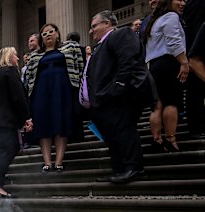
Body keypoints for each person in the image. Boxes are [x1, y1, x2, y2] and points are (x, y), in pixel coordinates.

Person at [82, 10, 154, 184]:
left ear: (107, 23)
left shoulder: (121, 34)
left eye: (94, 26)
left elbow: (128, 62)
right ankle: (119, 169)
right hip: (103, 101)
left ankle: (134, 168)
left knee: (124, 131)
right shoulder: (100, 46)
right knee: (112, 136)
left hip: (118, 97)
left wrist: (119, 87)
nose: (91, 31)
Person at [25, 23, 84, 172]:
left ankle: (59, 161)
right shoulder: (35, 56)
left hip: (62, 91)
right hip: (41, 93)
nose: (48, 35)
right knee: (43, 126)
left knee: (61, 125)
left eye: (51, 32)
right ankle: (47, 162)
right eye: (44, 34)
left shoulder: (69, 49)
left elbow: (80, 68)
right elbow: (30, 78)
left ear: (57, 33)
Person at [0, 47, 32, 198]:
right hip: (6, 119)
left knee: (7, 148)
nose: (18, 59)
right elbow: (19, 97)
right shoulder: (10, 72)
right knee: (8, 149)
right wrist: (27, 118)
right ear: (9, 57)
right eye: (16, 56)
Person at [143, 0, 188, 153]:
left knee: (157, 105)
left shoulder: (154, 21)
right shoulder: (171, 16)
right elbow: (174, 41)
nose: (183, 3)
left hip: (154, 66)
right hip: (169, 62)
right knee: (172, 102)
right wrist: (184, 62)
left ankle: (157, 140)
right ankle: (170, 139)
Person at [183, 0, 205, 139]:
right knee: (196, 91)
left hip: (193, 47)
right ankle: (196, 128)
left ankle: (196, 127)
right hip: (196, 50)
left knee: (196, 91)